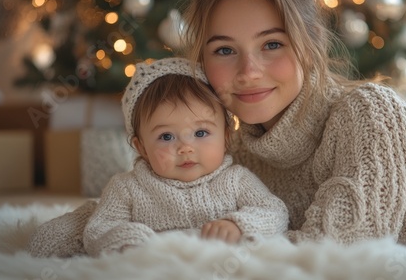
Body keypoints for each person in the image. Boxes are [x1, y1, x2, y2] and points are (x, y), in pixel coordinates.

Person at [181, 0, 406, 252]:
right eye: (225, 50)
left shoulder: (368, 113)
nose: (248, 72)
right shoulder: (235, 153)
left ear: (310, 45)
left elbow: (338, 254)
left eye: (271, 44)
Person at [28, 57, 288, 257]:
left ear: (226, 136)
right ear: (141, 147)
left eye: (201, 132)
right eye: (166, 137)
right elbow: (99, 229)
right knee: (50, 238)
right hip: (153, 265)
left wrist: (238, 225)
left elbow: (274, 211)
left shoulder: (236, 180)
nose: (186, 148)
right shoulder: (127, 188)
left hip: (215, 266)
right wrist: (125, 240)